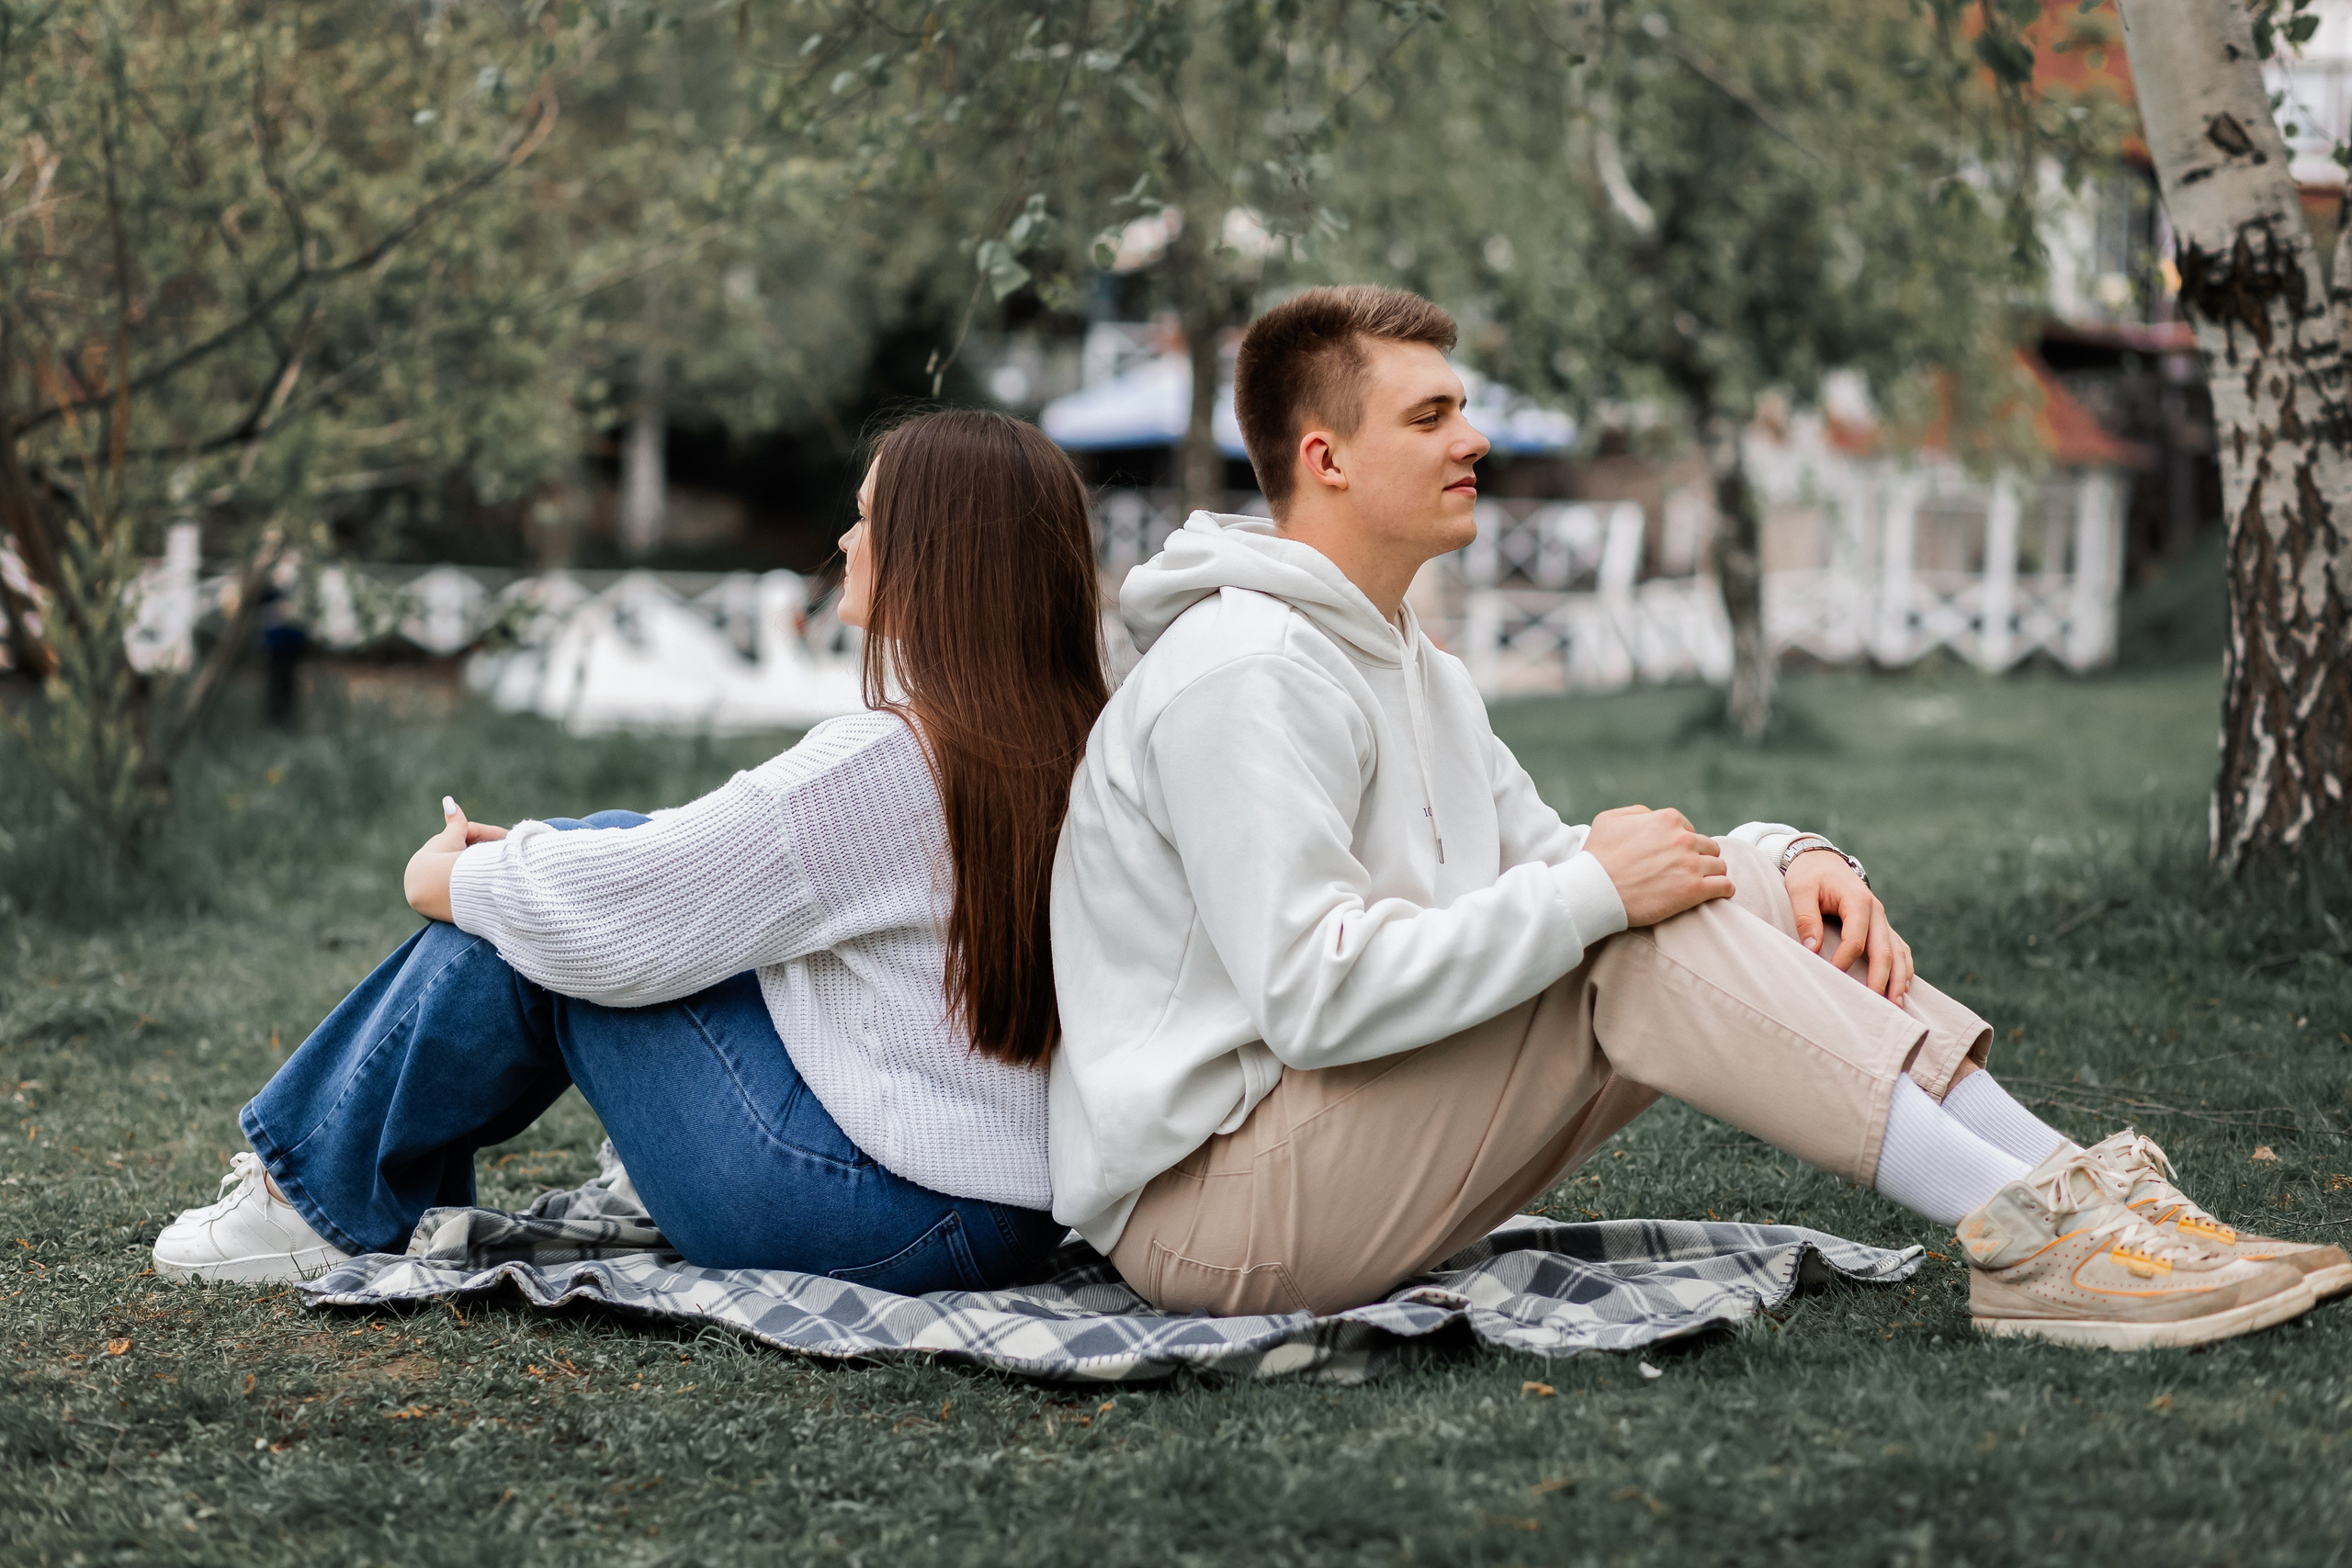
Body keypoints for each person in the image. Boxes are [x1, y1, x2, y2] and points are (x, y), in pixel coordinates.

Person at [1046, 285, 2349, 1349]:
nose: (1473, 440)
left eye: (1465, 409)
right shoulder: (1247, 670)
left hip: (1326, 1150)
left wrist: (1782, 860)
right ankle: (2033, 1238)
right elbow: (1311, 993)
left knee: (1704, 897)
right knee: (1624, 936)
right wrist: (1598, 894)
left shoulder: (1407, 660)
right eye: (1431, 415)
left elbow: (1554, 862)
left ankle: (2088, 1195)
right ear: (1324, 458)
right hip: (1212, 1211)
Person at [154, 409, 1109, 1293]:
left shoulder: (886, 764)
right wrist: (543, 864)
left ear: (939, 555)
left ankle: (310, 1201)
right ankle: (348, 1182)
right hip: (1001, 1215)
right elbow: (684, 874)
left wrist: (445, 874)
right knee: (584, 868)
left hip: (878, 1213)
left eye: (867, 519)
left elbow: (619, 917)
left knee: (546, 917)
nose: (846, 542)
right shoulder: (1072, 739)